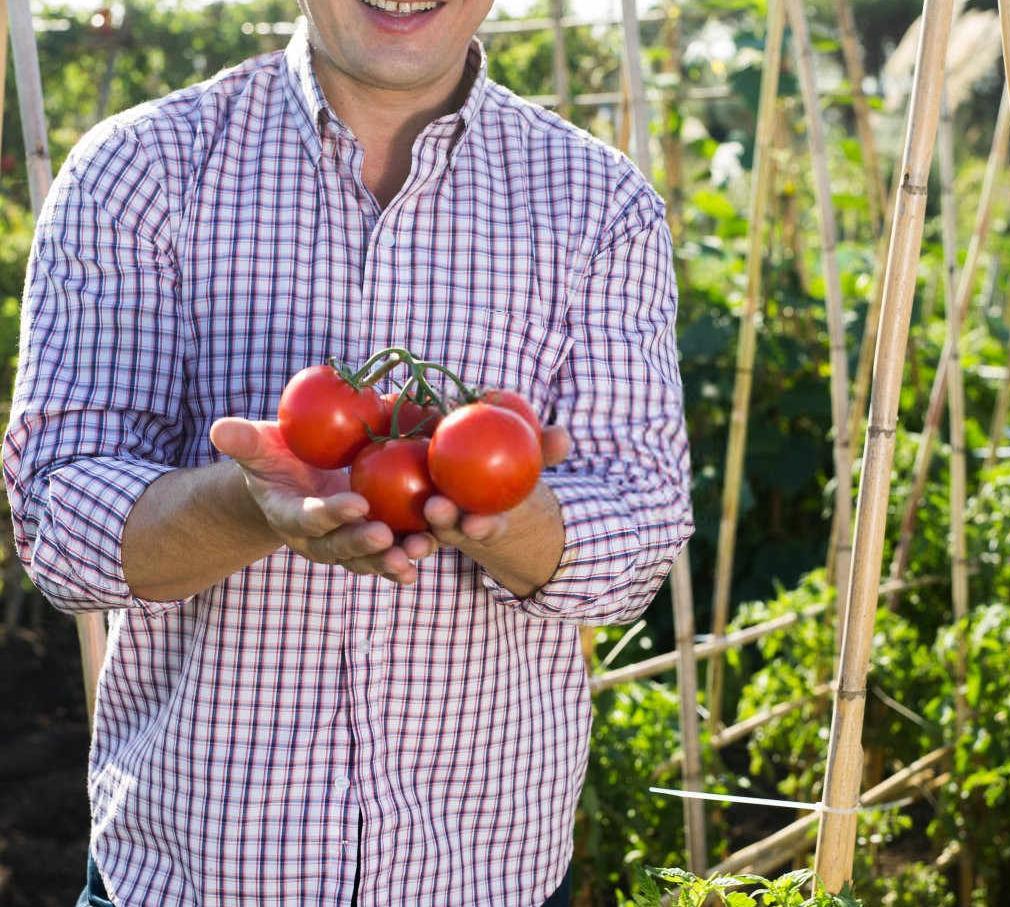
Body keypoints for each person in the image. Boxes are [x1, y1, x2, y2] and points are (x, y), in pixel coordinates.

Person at [2, 1, 692, 904]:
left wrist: (509, 512)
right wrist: (249, 506)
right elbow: (59, 524)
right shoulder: (139, 171)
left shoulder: (599, 205)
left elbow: (639, 537)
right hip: (194, 874)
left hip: (486, 873)